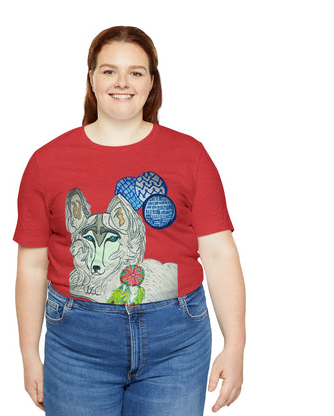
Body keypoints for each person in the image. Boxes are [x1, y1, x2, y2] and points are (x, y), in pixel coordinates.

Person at [14, 26, 246, 416]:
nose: (122, 82)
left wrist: (235, 345)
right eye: (109, 71)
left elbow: (220, 254)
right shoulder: (46, 162)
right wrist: (28, 355)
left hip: (177, 344)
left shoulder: (190, 155)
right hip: (77, 346)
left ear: (151, 82)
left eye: (135, 72)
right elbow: (32, 265)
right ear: (91, 78)